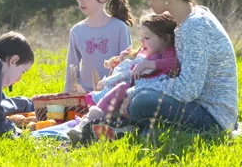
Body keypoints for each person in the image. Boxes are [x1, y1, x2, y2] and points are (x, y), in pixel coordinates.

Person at [124, 0, 238, 132]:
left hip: (214, 117)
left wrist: (135, 91)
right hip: (197, 106)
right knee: (141, 99)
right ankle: (148, 130)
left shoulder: (195, 25)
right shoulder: (186, 22)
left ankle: (145, 129)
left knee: (142, 103)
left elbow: (187, 90)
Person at [67, 13, 178, 142]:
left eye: (147, 37)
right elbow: (131, 71)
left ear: (165, 38)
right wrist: (122, 62)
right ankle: (88, 122)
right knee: (120, 88)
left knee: (122, 88)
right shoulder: (145, 53)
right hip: (134, 92)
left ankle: (99, 125)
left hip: (148, 95)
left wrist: (148, 64)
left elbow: (173, 63)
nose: (142, 41)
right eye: (141, 37)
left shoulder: (169, 53)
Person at [64, 0, 135, 93]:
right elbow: (72, 68)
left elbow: (127, 63)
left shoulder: (119, 27)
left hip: (113, 91)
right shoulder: (76, 31)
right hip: (84, 93)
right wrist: (66, 96)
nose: (81, 1)